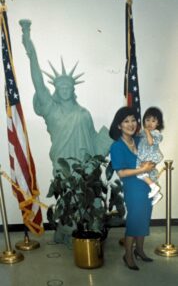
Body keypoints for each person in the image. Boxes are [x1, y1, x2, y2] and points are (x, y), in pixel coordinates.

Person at [19, 19, 112, 176]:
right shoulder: (52, 110)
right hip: (63, 169)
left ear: (72, 89)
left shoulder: (84, 113)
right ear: (56, 90)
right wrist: (31, 54)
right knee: (66, 198)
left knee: (89, 199)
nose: (64, 89)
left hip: (86, 173)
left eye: (67, 86)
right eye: (60, 87)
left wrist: (113, 136)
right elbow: (39, 84)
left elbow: (93, 140)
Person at [109, 106, 155, 270]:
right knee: (135, 221)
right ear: (119, 126)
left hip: (147, 186)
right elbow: (121, 172)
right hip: (133, 189)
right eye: (126, 121)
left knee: (144, 218)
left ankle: (140, 251)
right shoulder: (116, 147)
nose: (131, 124)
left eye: (133, 120)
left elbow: (151, 154)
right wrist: (142, 169)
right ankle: (128, 254)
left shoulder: (138, 140)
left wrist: (150, 165)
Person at [136, 107, 164, 206]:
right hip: (144, 157)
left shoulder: (156, 133)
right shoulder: (143, 132)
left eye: (153, 121)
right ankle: (156, 194)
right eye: (147, 120)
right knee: (141, 175)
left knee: (140, 173)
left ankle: (154, 187)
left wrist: (147, 132)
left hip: (150, 157)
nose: (149, 123)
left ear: (158, 123)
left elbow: (151, 142)